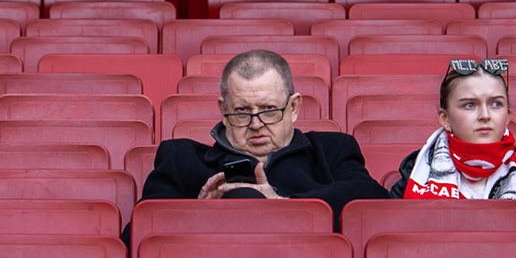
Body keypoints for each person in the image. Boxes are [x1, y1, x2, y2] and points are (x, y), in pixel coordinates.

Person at [138, 48, 390, 221]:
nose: (256, 124)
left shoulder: (332, 150)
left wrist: (284, 204)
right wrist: (198, 213)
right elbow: (138, 233)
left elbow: (372, 201)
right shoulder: (181, 158)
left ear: (293, 107)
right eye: (242, 111)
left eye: (269, 110)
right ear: (223, 110)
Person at [392, 58, 516, 206]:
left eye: (496, 104)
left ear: (507, 116)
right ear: (445, 118)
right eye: (470, 105)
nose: (485, 115)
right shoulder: (415, 172)